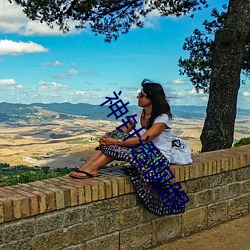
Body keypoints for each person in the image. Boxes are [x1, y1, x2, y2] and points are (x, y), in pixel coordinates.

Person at [69, 79, 185, 215]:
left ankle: (92, 168)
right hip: (142, 153)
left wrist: (115, 141)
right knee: (114, 136)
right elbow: (122, 130)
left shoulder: (162, 117)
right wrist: (107, 138)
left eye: (142, 95)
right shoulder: (137, 114)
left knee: (117, 142)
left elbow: (145, 139)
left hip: (157, 158)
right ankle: (87, 167)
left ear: (152, 98)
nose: (138, 97)